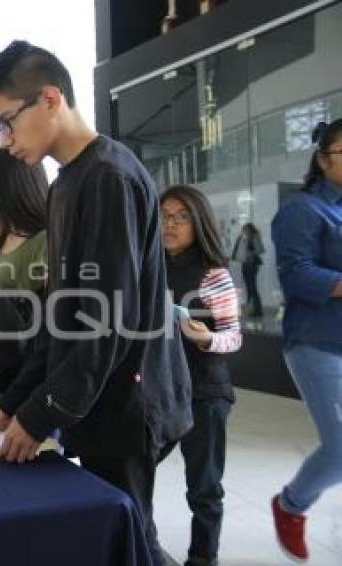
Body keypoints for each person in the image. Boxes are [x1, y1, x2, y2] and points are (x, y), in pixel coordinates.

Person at [0, 40, 192, 564]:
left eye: (6, 122)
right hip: (95, 400)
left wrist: (42, 412)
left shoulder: (109, 177)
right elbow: (61, 312)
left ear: (50, 98)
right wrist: (15, 400)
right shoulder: (68, 182)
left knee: (130, 540)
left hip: (127, 402)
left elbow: (105, 321)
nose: (4, 140)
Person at [270, 119, 342, 562]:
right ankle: (291, 505)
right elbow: (296, 274)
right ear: (322, 159)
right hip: (317, 343)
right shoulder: (303, 210)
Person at [160, 185, 242, 566]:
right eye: (163, 215)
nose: (170, 225)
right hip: (159, 392)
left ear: (198, 222)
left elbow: (234, 336)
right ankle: (142, 543)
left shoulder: (213, 275)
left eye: (181, 217)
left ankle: (202, 559)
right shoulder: (148, 265)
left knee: (204, 488)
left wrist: (208, 338)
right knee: (135, 469)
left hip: (205, 393)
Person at [0, 149, 48, 407]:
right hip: (1, 376)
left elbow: (49, 320)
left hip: (32, 385)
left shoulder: (45, 241)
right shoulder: (5, 236)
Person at [231, 223, 265, 317]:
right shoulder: (241, 238)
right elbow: (237, 251)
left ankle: (257, 310)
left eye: (245, 229)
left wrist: (250, 253)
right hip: (244, 265)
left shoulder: (254, 237)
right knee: (250, 288)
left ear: (250, 229)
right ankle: (252, 309)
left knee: (252, 287)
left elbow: (259, 250)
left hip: (251, 265)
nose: (244, 231)